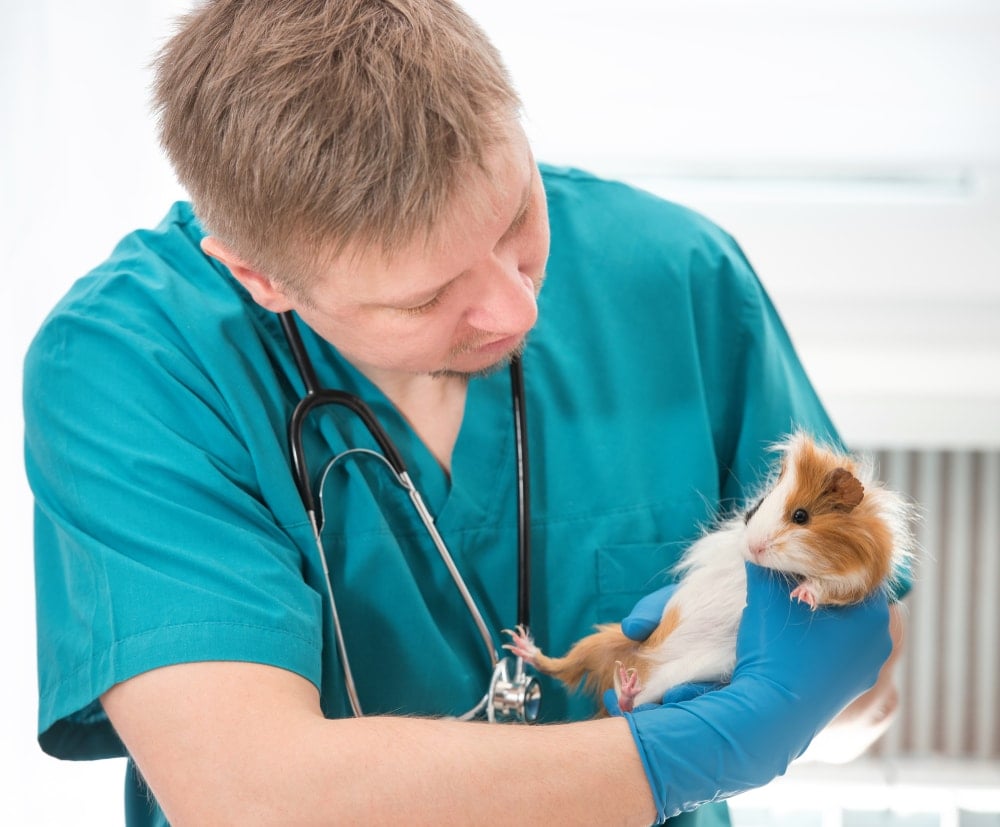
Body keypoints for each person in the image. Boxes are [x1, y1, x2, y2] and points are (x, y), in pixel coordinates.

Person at [24, 1, 906, 824]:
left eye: (516, 215)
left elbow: (860, 688)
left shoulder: (675, 275)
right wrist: (703, 746)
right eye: (427, 297)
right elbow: (253, 795)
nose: (519, 309)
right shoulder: (133, 365)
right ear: (262, 279)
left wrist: (820, 696)